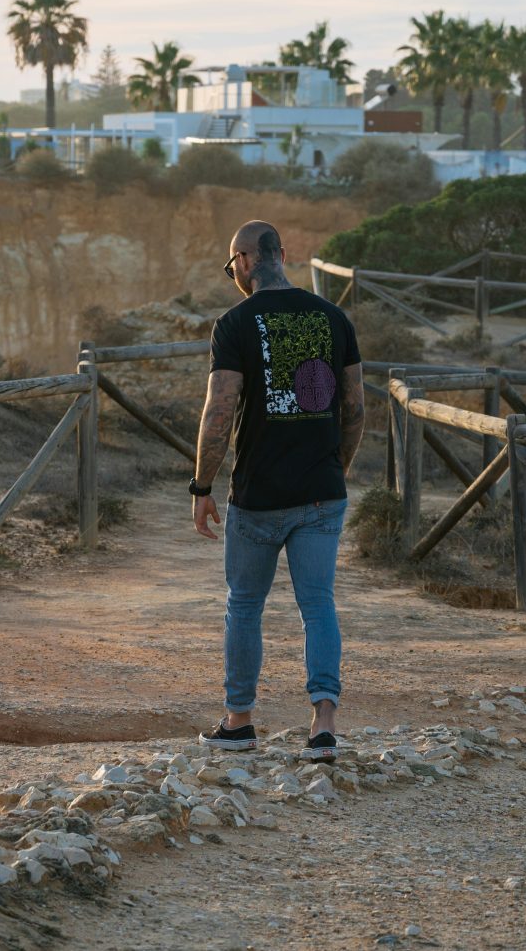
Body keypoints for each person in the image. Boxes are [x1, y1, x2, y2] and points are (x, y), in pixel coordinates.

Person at [192, 220, 364, 763]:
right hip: (321, 492)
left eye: (232, 265)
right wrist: (336, 467)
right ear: (281, 255)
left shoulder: (236, 322)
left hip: (260, 495)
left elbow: (220, 410)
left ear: (244, 260)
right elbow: (355, 409)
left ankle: (239, 721)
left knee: (244, 605)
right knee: (318, 605)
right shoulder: (334, 317)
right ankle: (324, 726)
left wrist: (202, 485)